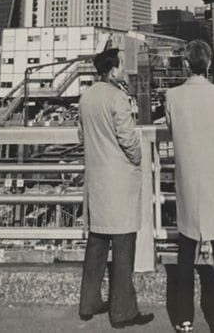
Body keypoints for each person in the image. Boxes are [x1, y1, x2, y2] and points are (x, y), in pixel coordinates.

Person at [165, 40, 214, 333]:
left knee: (185, 253)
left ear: (186, 64)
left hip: (187, 181)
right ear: (208, 63)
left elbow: (173, 130)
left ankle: (184, 319)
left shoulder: (172, 96)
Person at [78, 46, 153, 329]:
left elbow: (81, 135)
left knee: (96, 243)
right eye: (122, 64)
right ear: (113, 69)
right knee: (123, 247)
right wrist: (137, 158)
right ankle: (123, 312)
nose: (125, 68)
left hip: (95, 177)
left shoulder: (87, 96)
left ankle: (88, 303)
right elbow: (128, 138)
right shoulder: (118, 97)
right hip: (118, 179)